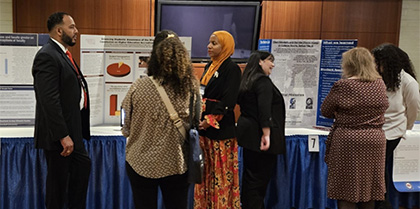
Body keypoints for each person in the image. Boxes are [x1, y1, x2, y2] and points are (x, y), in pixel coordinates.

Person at [122, 33, 200, 209]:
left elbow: (126, 127)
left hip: (140, 163)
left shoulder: (138, 86)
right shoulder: (191, 88)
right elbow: (196, 121)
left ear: (154, 57)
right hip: (176, 164)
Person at [32, 12, 91, 209]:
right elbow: (48, 100)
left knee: (81, 174)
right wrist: (63, 135)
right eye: (72, 27)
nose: (77, 31)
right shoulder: (47, 55)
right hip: (60, 138)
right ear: (59, 30)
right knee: (57, 190)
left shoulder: (62, 54)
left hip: (72, 130)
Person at [321, 47, 389, 209]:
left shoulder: (343, 85)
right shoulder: (379, 84)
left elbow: (326, 111)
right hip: (375, 140)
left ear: (349, 64)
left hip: (348, 141)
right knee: (369, 189)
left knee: (346, 189)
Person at [194, 30, 242, 209]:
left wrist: (210, 119)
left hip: (220, 130)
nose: (209, 46)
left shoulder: (232, 69)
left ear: (225, 46)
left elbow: (229, 101)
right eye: (209, 42)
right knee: (206, 173)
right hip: (205, 130)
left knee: (220, 176)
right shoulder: (209, 66)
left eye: (214, 43)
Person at [371, 43, 420, 209]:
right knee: (377, 169)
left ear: (390, 63)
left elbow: (413, 107)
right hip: (375, 132)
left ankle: (382, 203)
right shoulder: (378, 80)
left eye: (379, 62)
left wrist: (406, 126)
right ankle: (379, 201)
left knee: (378, 169)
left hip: (392, 133)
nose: (376, 66)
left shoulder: (407, 81)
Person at [236, 51, 286, 209]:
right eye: (270, 60)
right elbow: (264, 110)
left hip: (248, 136)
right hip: (260, 137)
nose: (273, 64)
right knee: (259, 183)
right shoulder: (263, 81)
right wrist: (267, 134)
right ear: (259, 62)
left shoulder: (246, 81)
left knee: (250, 180)